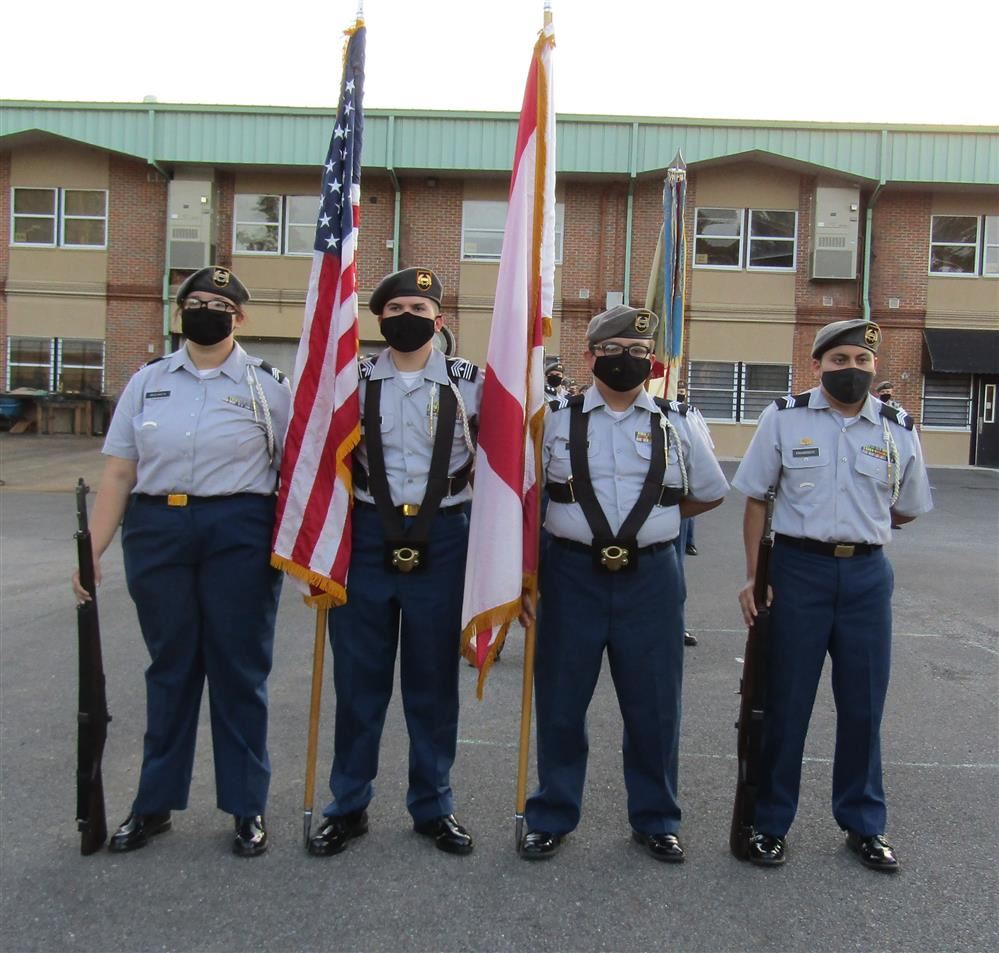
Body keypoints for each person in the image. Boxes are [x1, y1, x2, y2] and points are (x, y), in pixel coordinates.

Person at [71, 266, 291, 857]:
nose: (205, 309)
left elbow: (297, 473)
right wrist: (90, 552)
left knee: (239, 670)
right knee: (170, 668)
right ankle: (154, 803)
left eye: (218, 303)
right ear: (179, 312)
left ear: (239, 318)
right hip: (159, 530)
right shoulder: (147, 381)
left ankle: (246, 806)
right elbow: (119, 471)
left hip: (239, 529)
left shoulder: (269, 385)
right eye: (194, 301)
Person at [519, 305, 728, 863]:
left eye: (638, 352)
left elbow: (709, 491)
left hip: (651, 579)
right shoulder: (553, 419)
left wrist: (653, 522)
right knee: (562, 701)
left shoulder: (676, 420)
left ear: (652, 361)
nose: (625, 360)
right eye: (612, 351)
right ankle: (552, 813)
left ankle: (657, 818)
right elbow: (525, 497)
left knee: (654, 705)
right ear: (590, 356)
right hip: (570, 574)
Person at [732, 319, 932, 872]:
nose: (851, 370)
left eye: (861, 361)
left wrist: (859, 525)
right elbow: (754, 498)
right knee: (786, 705)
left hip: (867, 577)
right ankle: (770, 823)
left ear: (874, 366)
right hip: (798, 572)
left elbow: (908, 506)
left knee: (864, 708)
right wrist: (755, 575)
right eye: (839, 360)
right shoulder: (784, 417)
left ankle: (864, 825)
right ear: (818, 364)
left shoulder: (896, 428)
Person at [308, 267, 482, 858]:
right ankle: (347, 805)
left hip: (444, 537)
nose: (408, 316)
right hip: (365, 537)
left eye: (420, 307)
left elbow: (505, 464)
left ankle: (433, 806)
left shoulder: (470, 383)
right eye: (396, 307)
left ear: (441, 318)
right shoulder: (349, 382)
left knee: (433, 682)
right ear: (378, 319)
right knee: (360, 682)